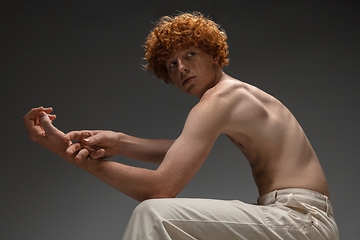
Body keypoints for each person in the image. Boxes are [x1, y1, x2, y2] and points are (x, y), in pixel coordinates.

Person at [23, 12, 339, 240]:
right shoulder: (229, 98)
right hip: (288, 217)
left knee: (153, 215)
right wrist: (120, 142)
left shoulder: (220, 100)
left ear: (215, 54)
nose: (181, 68)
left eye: (190, 54)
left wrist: (70, 154)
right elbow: (181, 150)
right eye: (172, 64)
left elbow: (161, 189)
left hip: (301, 221)